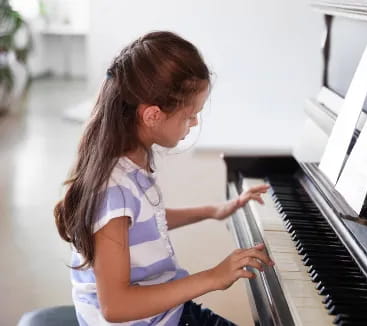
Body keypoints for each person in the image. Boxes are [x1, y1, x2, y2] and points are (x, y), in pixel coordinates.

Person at [54, 31, 273, 326]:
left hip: (164, 315)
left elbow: (145, 222)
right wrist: (213, 277)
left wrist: (213, 211)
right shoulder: (113, 190)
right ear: (152, 115)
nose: (194, 122)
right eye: (190, 114)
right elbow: (115, 306)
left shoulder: (129, 161)